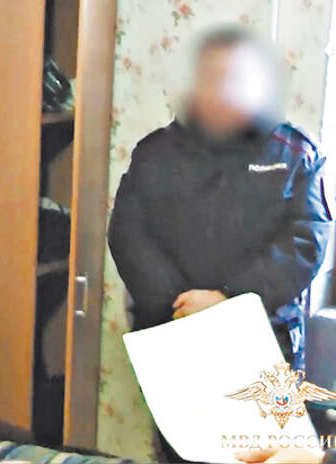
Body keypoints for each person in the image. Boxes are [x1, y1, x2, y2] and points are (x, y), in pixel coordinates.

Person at [108, 25, 333, 371]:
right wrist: (181, 303)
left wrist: (229, 297)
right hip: (172, 332)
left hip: (262, 336)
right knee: (178, 410)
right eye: (211, 77)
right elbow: (128, 233)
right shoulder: (155, 153)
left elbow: (306, 240)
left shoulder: (295, 154)